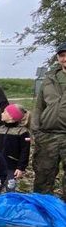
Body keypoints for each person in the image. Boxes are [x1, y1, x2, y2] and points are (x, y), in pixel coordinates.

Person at [32, 43, 66, 200]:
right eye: (62, 55)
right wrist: (36, 130)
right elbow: (39, 106)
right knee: (43, 176)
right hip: (48, 135)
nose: (65, 58)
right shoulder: (49, 79)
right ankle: (43, 213)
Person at [0, 104, 30, 193]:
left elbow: (25, 151)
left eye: (5, 112)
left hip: (11, 167)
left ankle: (10, 204)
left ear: (11, 116)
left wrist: (21, 167)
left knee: (10, 189)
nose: (1, 113)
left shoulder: (22, 132)